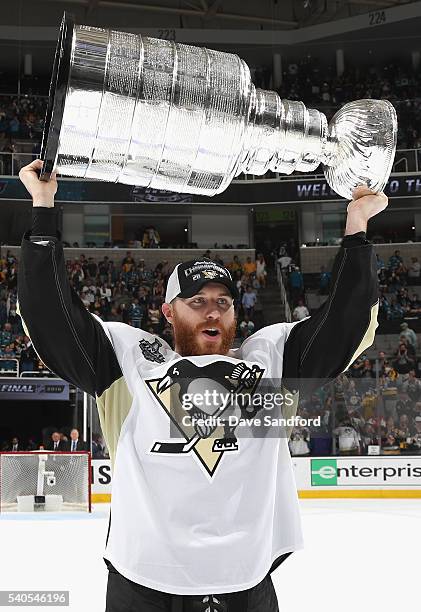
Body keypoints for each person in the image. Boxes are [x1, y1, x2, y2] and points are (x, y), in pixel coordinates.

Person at [18, 159, 386, 612]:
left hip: (245, 584)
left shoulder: (270, 360)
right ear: (168, 313)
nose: (213, 312)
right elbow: (51, 320)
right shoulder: (128, 360)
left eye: (223, 303)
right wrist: (43, 209)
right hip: (144, 583)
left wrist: (357, 228)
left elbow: (346, 325)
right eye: (197, 302)